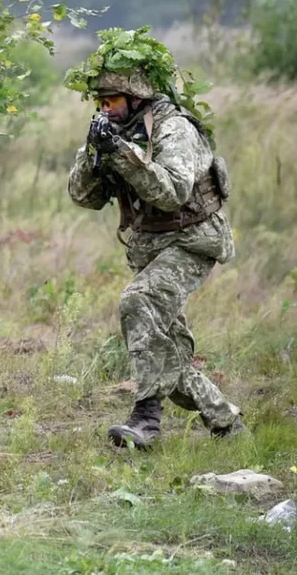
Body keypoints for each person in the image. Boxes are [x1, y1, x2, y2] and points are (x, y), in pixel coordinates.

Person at [67, 56, 243, 448]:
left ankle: (146, 419)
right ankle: (227, 424)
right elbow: (84, 198)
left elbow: (173, 193)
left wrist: (123, 155)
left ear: (136, 97)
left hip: (192, 241)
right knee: (165, 345)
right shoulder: (116, 130)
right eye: (100, 102)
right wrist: (94, 155)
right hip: (150, 247)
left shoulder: (174, 128)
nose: (104, 108)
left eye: (111, 100)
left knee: (137, 302)